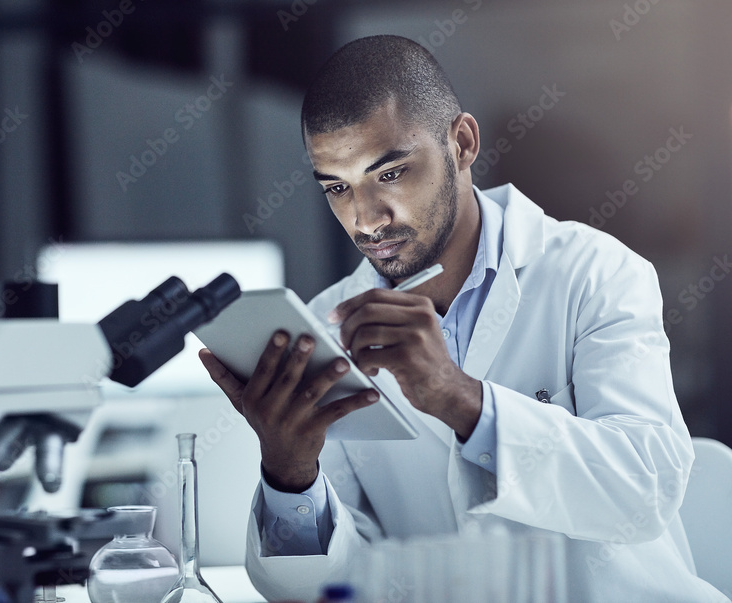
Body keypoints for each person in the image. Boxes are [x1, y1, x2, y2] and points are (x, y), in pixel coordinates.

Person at [198, 35, 728, 601]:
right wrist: (290, 475)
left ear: (463, 143)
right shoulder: (330, 333)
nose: (366, 219)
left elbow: (646, 489)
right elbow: (340, 585)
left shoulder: (596, 274)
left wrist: (460, 398)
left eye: (391, 174)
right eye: (337, 187)